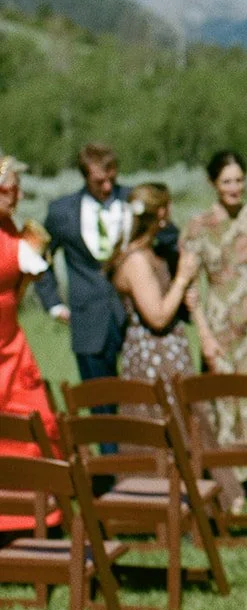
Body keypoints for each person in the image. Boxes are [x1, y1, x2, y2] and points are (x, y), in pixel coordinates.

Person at [35, 142, 180, 381]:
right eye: (99, 181)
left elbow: (171, 240)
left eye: (112, 179)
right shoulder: (62, 212)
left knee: (144, 399)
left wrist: (170, 287)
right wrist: (53, 304)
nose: (107, 186)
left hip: (138, 321)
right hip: (89, 322)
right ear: (85, 177)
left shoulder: (135, 200)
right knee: (101, 405)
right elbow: (40, 257)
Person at [182, 150, 247, 471]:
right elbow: (190, 287)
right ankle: (233, 482)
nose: (234, 187)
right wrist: (204, 334)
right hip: (219, 323)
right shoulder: (198, 227)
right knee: (226, 399)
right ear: (213, 183)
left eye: (239, 180)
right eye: (227, 181)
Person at [0, 154, 62, 513]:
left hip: (12, 343)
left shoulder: (12, 228)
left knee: (36, 418)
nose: (17, 197)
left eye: (18, 190)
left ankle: (40, 512)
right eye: (9, 190)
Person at [108, 184, 200, 412]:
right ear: (160, 212)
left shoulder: (153, 252)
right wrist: (181, 278)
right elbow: (157, 317)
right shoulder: (136, 260)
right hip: (153, 359)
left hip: (169, 353)